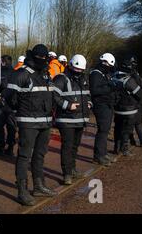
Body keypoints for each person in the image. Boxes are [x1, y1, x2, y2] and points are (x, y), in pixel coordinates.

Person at [4, 44, 57, 206]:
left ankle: (39, 186)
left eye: (45, 57)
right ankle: (22, 191)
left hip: (45, 122)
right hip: (27, 122)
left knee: (40, 155)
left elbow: (51, 96)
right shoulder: (21, 74)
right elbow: (8, 97)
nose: (43, 60)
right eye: (40, 57)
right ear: (33, 57)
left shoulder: (46, 74)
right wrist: (14, 114)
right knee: (24, 156)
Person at [52, 54, 91, 185]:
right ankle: (67, 174)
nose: (79, 72)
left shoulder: (83, 78)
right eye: (77, 69)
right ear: (70, 65)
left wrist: (90, 103)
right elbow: (54, 96)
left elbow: (87, 94)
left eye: (81, 70)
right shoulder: (61, 78)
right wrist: (68, 105)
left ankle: (73, 170)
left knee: (75, 146)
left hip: (80, 118)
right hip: (66, 119)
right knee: (67, 147)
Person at [112, 57, 142, 156]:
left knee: (117, 129)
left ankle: (116, 148)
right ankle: (124, 149)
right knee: (126, 130)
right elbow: (139, 94)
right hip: (129, 110)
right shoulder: (128, 80)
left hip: (117, 109)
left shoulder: (113, 77)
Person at [89, 53, 118, 166]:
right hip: (101, 105)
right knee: (102, 130)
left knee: (105, 130)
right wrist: (110, 87)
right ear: (104, 62)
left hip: (107, 105)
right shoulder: (96, 74)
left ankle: (103, 153)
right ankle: (98, 156)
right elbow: (95, 90)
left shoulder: (103, 73)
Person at [0, 55, 17, 156]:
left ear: (3, 62)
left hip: (0, 104)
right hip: (12, 105)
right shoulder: (16, 73)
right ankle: (10, 148)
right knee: (11, 127)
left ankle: (0, 147)